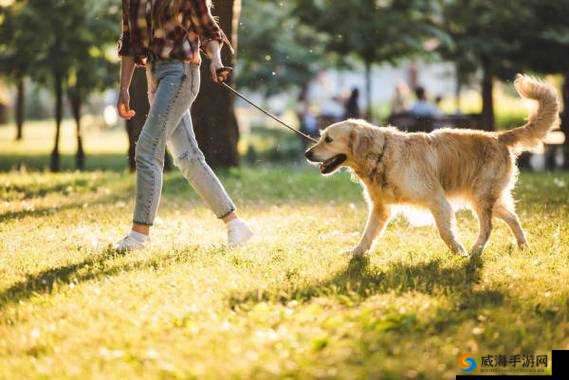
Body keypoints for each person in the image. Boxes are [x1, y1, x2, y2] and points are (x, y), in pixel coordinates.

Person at [114, 0, 252, 251]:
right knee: (188, 156)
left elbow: (209, 29)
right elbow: (129, 42)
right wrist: (123, 88)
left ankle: (139, 235)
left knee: (147, 148)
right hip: (154, 76)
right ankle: (236, 225)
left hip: (181, 73)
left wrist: (216, 60)